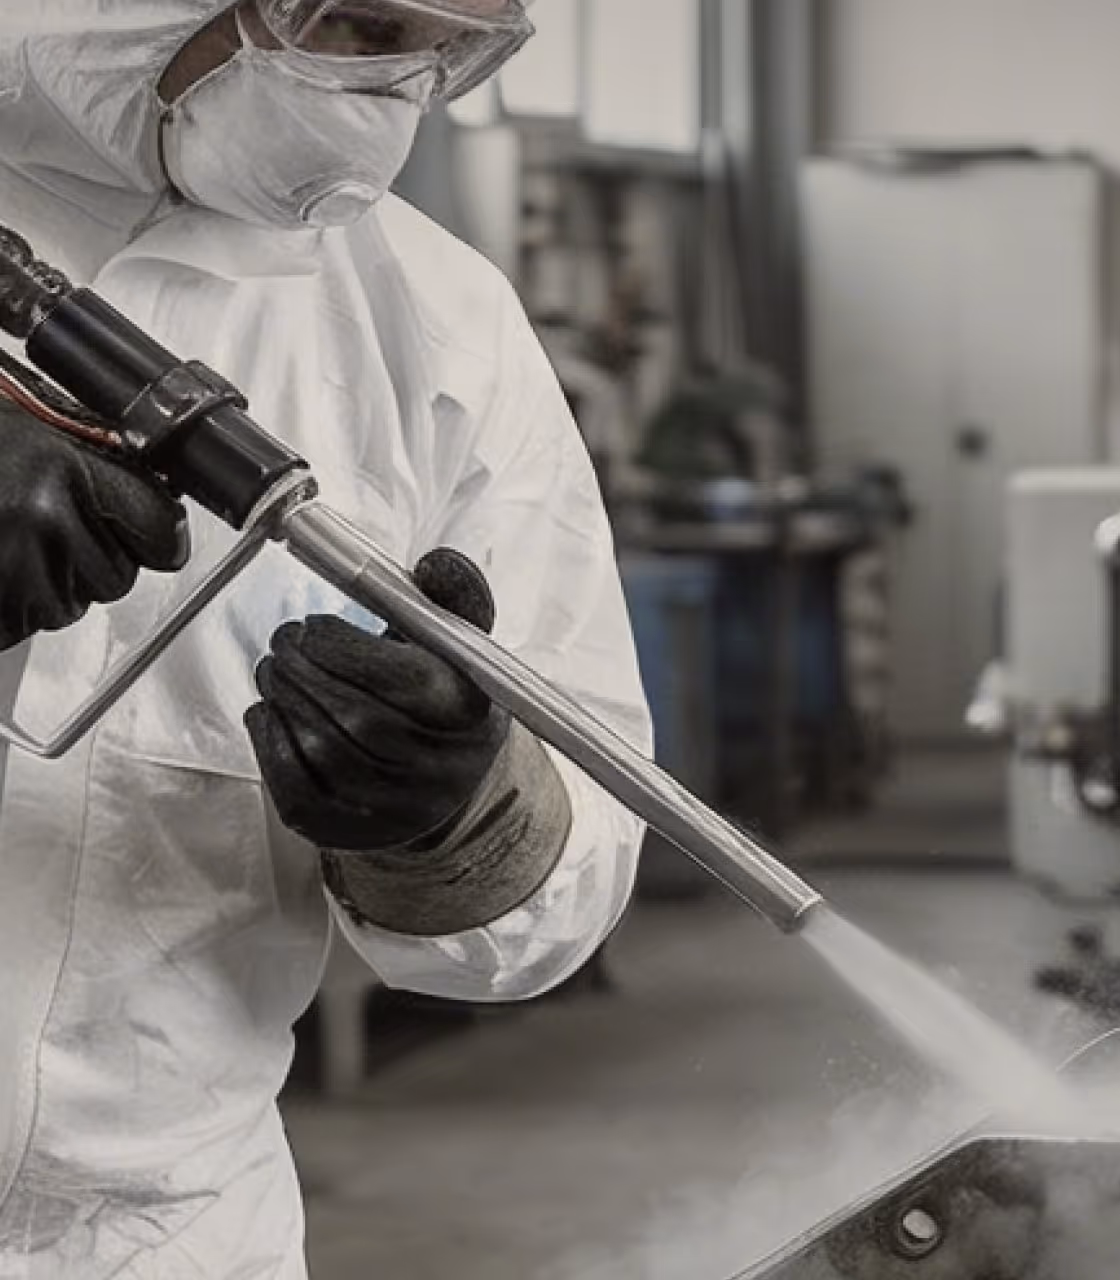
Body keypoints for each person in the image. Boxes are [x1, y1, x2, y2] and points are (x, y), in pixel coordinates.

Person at [0, 1, 653, 1274]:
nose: (391, 94)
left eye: (441, 49)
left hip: (167, 1238)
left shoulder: (438, 327)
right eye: (355, 24)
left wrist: (455, 809)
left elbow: (582, 845)